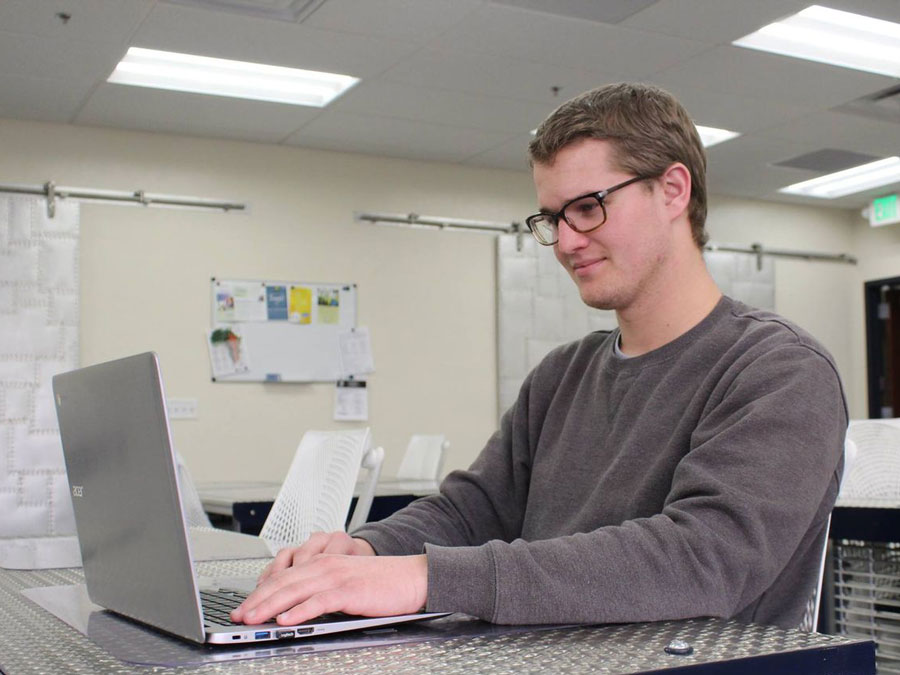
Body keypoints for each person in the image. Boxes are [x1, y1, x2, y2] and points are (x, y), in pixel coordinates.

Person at [231, 83, 847, 630]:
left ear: (673, 190)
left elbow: (702, 560)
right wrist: (366, 554)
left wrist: (425, 579)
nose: (567, 242)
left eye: (588, 207)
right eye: (553, 217)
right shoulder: (562, 375)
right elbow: (473, 510)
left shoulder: (778, 371)